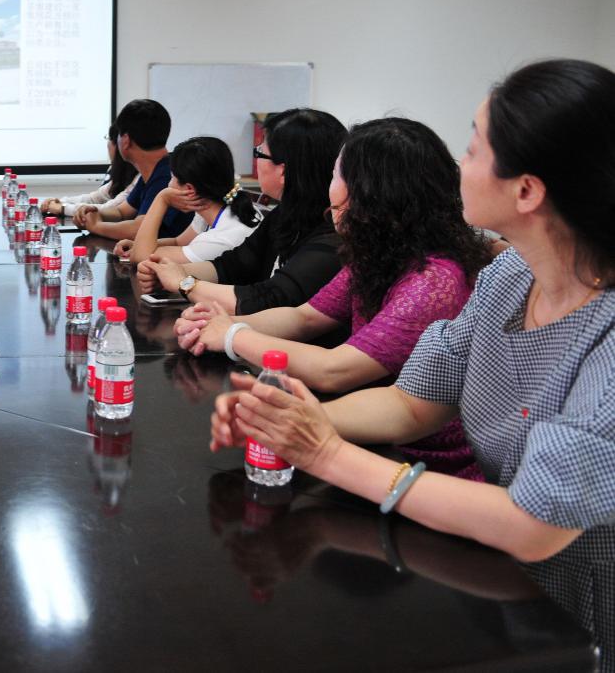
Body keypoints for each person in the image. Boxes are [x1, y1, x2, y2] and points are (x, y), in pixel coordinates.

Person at [210, 59, 615, 563]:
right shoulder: (506, 280)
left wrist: (324, 451)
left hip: (574, 606)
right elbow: (412, 404)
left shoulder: (605, 337)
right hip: (492, 566)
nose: (458, 169)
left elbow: (533, 526)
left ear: (527, 190)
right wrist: (294, 419)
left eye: (471, 151)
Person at [180, 118, 491, 478]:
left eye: (336, 175)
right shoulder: (381, 252)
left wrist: (233, 336)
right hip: (368, 433)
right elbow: (305, 317)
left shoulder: (433, 281)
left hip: (419, 463)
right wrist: (218, 323)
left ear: (368, 192)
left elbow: (335, 370)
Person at [137, 108, 347, 315]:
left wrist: (184, 283)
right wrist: (168, 272)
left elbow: (272, 297)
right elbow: (232, 265)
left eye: (259, 153)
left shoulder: (331, 237)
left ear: (282, 171)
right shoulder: (285, 214)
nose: (256, 161)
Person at [115, 135, 260, 265]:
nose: (169, 184)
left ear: (189, 190)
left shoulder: (219, 239)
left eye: (172, 177)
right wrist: (139, 243)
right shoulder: (213, 205)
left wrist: (161, 199)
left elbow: (141, 258)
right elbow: (178, 242)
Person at [73, 99, 195, 241]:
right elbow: (122, 212)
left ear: (125, 140)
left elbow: (137, 230)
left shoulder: (167, 176)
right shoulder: (154, 170)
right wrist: (93, 212)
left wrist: (95, 226)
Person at [42, 123, 138, 219]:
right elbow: (94, 198)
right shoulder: (122, 172)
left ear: (124, 142)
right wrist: (60, 201)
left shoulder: (139, 178)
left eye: (108, 138)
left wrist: (63, 208)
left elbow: (112, 209)